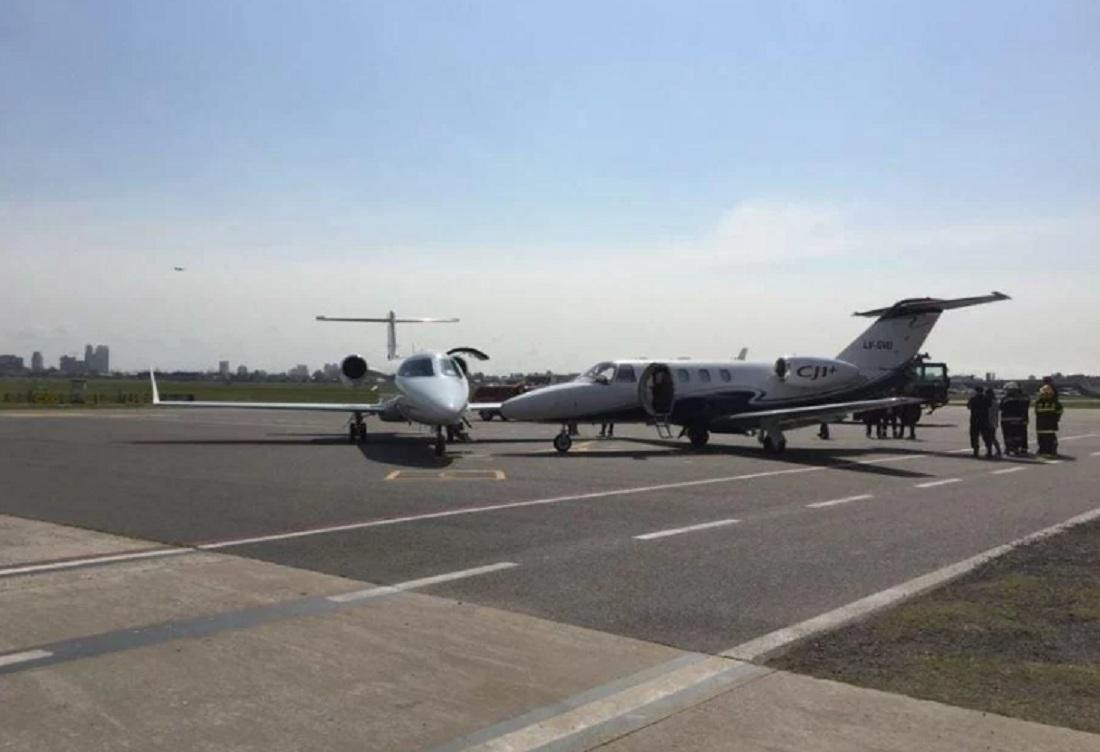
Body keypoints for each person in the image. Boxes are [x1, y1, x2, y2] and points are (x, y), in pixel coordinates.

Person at [999, 382, 1030, 455]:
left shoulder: (1005, 398)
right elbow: (1025, 406)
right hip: (1018, 419)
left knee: (1007, 435)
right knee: (1017, 435)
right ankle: (1016, 448)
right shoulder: (1022, 398)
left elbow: (1001, 407)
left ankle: (1008, 448)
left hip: (1006, 420)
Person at [1034, 384, 1064, 457]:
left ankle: (1051, 451)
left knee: (1050, 439)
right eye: (1044, 394)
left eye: (1048, 394)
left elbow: (1060, 411)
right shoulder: (1038, 402)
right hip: (1041, 425)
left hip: (1049, 425)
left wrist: (1056, 419)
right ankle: (1042, 450)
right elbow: (1036, 412)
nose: (1046, 396)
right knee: (1041, 439)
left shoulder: (1055, 403)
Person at [967, 386, 994, 458]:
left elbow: (968, 407)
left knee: (974, 436)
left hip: (975, 419)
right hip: (984, 419)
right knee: (986, 436)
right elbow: (990, 405)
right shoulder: (986, 399)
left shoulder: (973, 399)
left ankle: (976, 451)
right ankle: (989, 451)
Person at [986, 389, 1003, 459]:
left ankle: (993, 451)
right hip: (994, 421)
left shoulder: (989, 402)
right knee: (992, 437)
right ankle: (997, 450)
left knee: (990, 438)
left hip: (989, 421)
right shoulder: (996, 402)